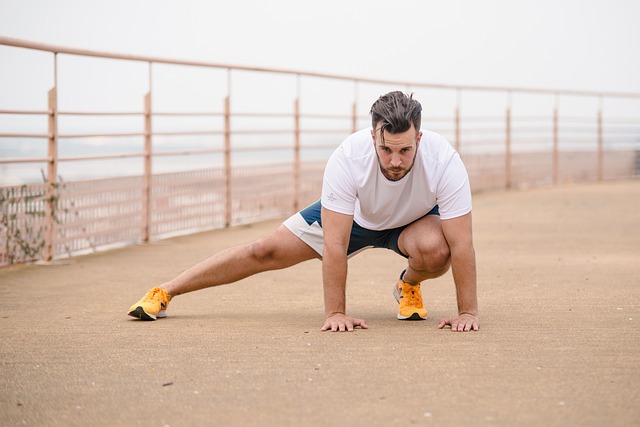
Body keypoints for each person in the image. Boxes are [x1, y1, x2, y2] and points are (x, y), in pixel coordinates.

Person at [128, 91, 479, 333]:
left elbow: (462, 244)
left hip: (413, 222)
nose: (395, 161)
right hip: (355, 217)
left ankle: (408, 286)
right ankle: (165, 292)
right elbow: (335, 246)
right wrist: (336, 313)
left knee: (438, 248)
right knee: (263, 250)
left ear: (419, 139)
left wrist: (468, 313)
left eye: (404, 150)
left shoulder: (444, 160)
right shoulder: (348, 158)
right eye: (386, 149)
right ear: (373, 135)